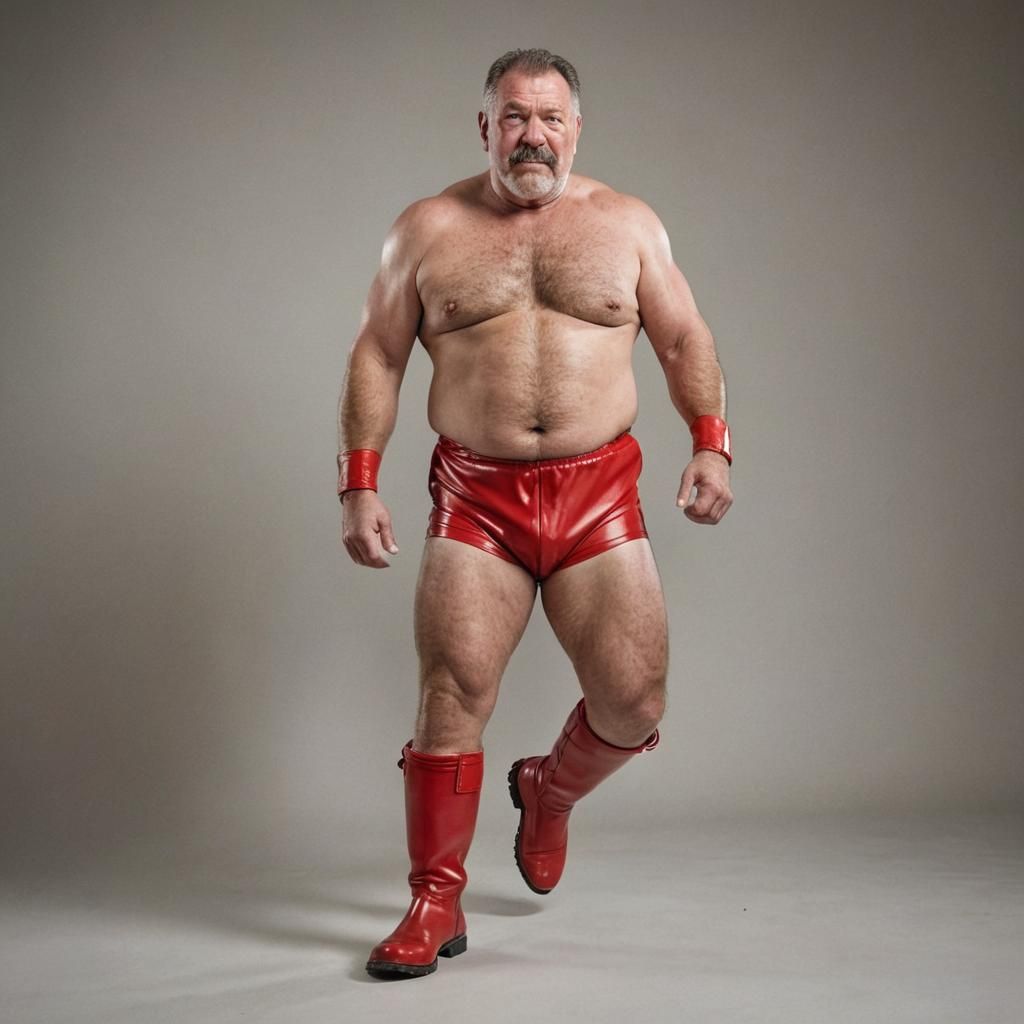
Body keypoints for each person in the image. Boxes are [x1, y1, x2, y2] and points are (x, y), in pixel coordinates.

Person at [337, 48, 733, 979]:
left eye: (551, 118)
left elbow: (682, 336)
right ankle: (434, 902)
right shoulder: (426, 228)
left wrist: (712, 441)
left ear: (576, 128)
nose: (533, 135)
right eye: (514, 117)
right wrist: (359, 481)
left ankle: (548, 791)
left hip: (599, 494)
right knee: (451, 695)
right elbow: (377, 355)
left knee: (634, 702)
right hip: (478, 496)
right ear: (485, 127)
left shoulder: (628, 225)